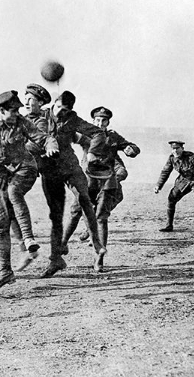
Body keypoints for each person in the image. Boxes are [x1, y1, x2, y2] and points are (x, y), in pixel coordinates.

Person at [0, 90, 58, 290]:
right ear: (1, 111)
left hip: (25, 169)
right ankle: (5, 271)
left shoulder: (22, 123)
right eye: (13, 111)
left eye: (18, 110)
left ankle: (28, 238)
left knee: (13, 193)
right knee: (0, 224)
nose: (17, 113)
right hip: (0, 177)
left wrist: (51, 145)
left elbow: (43, 137)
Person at [37, 91, 108, 278]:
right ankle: (55, 260)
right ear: (54, 103)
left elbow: (98, 133)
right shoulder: (41, 115)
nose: (61, 113)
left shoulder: (73, 119)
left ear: (71, 110)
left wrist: (93, 151)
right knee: (56, 215)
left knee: (84, 199)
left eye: (66, 110)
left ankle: (98, 244)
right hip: (49, 170)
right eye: (59, 108)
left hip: (69, 166)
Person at [63, 107, 139, 272]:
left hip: (106, 183)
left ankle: (99, 259)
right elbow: (68, 137)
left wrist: (131, 150)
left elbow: (132, 147)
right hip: (86, 181)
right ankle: (62, 245)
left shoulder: (113, 137)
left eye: (103, 120)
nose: (100, 123)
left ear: (108, 122)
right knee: (75, 212)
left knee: (101, 218)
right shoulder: (87, 135)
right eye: (97, 120)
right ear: (93, 121)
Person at [154, 141, 194, 232]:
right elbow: (165, 172)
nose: (175, 151)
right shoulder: (172, 158)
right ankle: (169, 226)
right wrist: (158, 185)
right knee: (171, 199)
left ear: (182, 149)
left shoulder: (192, 157)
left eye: (177, 148)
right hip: (184, 180)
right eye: (173, 149)